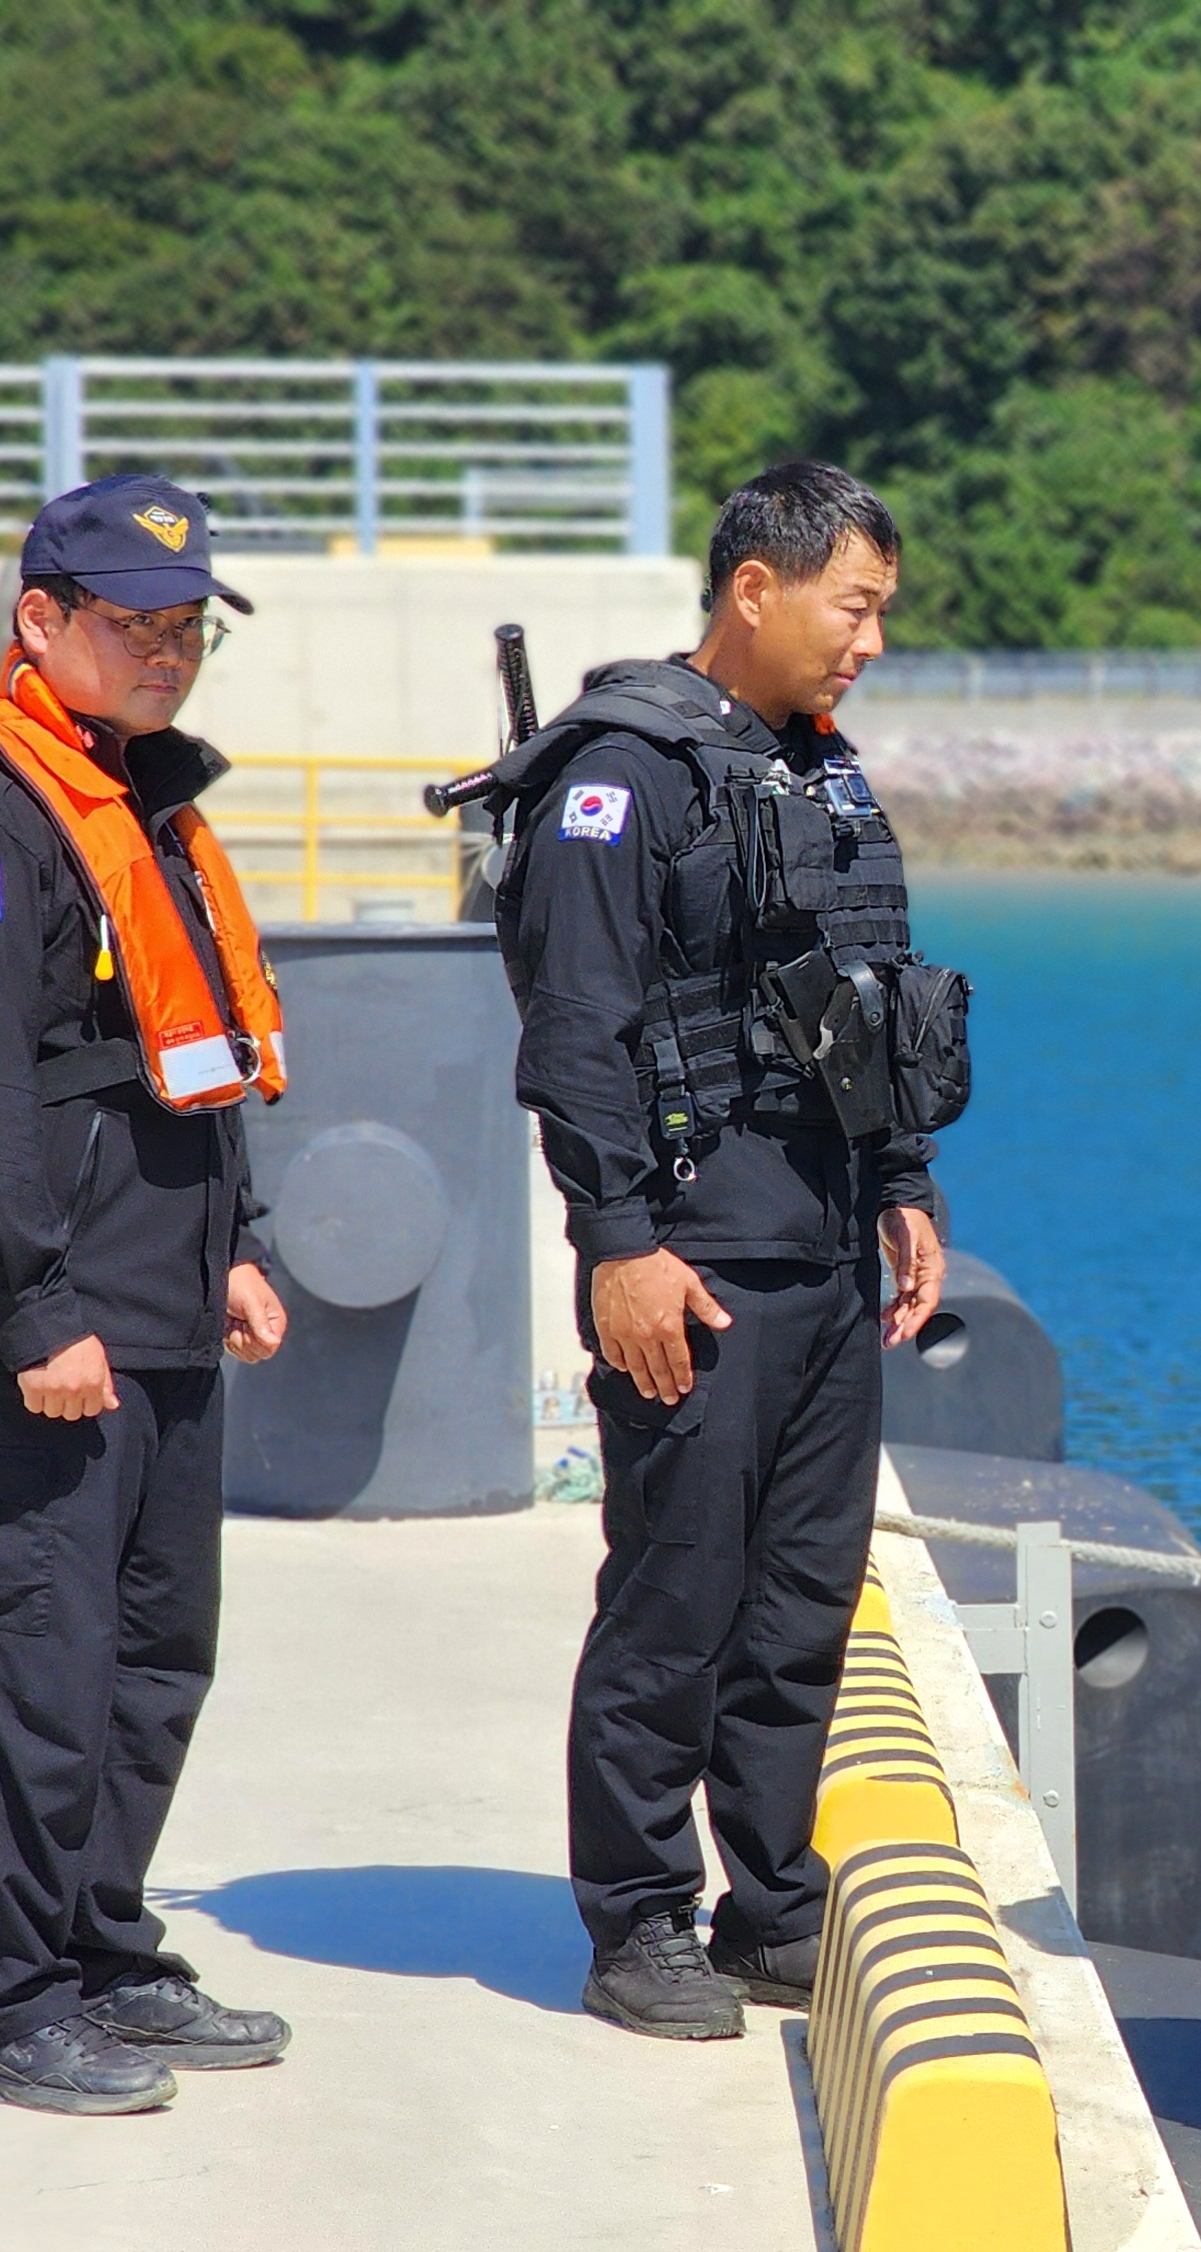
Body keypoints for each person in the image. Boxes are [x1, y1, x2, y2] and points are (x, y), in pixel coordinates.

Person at [490, 462, 963, 2039]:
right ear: (754, 588)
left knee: (802, 1600)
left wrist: (903, 1180)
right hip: (689, 1258)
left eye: (884, 612)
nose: (872, 642)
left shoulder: (816, 773)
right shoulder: (621, 773)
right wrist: (617, 1244)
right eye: (857, 606)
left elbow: (868, 998)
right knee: (678, 1596)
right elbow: (575, 1035)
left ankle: (772, 1904)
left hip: (825, 1250)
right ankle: (635, 1917)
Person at [0, 474, 293, 2113]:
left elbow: (180, 1064)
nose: (169, 650)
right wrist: (36, 1312)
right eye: (136, 622)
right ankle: (4, 2002)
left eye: (187, 626)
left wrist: (236, 1241)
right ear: (41, 622)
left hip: (164, 1300)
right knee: (29, 1660)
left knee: (149, 1658)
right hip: (35, 1325)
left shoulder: (138, 795)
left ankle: (102, 1947)